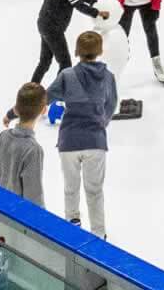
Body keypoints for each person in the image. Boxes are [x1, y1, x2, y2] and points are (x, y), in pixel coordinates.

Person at [48, 30, 116, 238]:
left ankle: (72, 224)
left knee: (71, 187)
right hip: (95, 141)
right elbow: (111, 105)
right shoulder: (108, 77)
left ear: (76, 51)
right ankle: (98, 234)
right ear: (100, 51)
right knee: (94, 191)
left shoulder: (67, 76)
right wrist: (99, 123)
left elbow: (47, 96)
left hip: (69, 141)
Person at [0, 83, 47, 208]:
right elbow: (34, 196)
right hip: (17, 219)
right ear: (44, 110)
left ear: (16, 109)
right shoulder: (33, 150)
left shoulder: (3, 136)